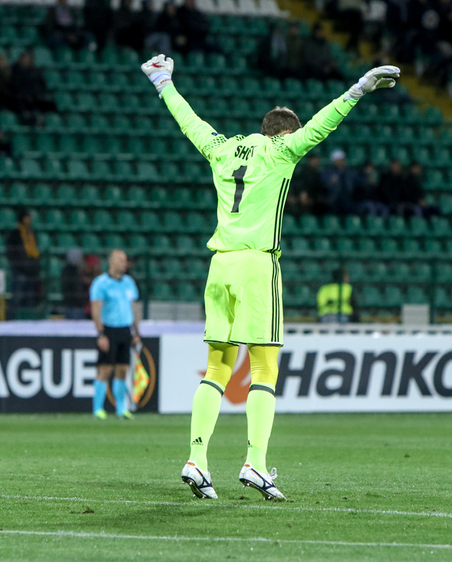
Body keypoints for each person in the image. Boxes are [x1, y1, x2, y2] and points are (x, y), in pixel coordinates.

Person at [141, 53, 399, 500]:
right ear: (286, 133)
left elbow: (189, 121)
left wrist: (163, 83)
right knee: (264, 366)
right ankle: (255, 464)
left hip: (219, 265)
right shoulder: (282, 151)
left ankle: (196, 459)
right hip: (257, 266)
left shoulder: (222, 148)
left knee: (217, 367)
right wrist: (358, 89)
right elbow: (322, 125)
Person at [90, 249, 142, 420]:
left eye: (125, 260)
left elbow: (133, 308)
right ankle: (98, 408)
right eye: (120, 260)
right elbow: (96, 310)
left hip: (125, 330)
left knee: (122, 369)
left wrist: (136, 331)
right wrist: (100, 334)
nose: (124, 264)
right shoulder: (101, 283)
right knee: (105, 369)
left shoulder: (129, 282)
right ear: (111, 262)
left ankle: (121, 408)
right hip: (109, 330)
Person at [5, 208, 42, 315]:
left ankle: (27, 319)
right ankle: (11, 318)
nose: (29, 219)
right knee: (17, 297)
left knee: (29, 298)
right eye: (27, 217)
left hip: (32, 271)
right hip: (20, 270)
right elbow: (11, 252)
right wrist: (20, 264)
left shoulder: (31, 233)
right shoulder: (15, 234)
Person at [320, 149, 359, 215]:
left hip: (348, 198)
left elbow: (356, 182)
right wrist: (331, 182)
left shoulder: (349, 171)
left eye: (342, 159)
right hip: (334, 199)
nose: (342, 161)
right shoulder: (328, 171)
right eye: (340, 159)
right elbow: (324, 185)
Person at [61, 248, 89, 319]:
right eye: (80, 257)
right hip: (75, 306)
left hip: (72, 305)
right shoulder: (71, 273)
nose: (82, 259)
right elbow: (77, 289)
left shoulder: (69, 271)